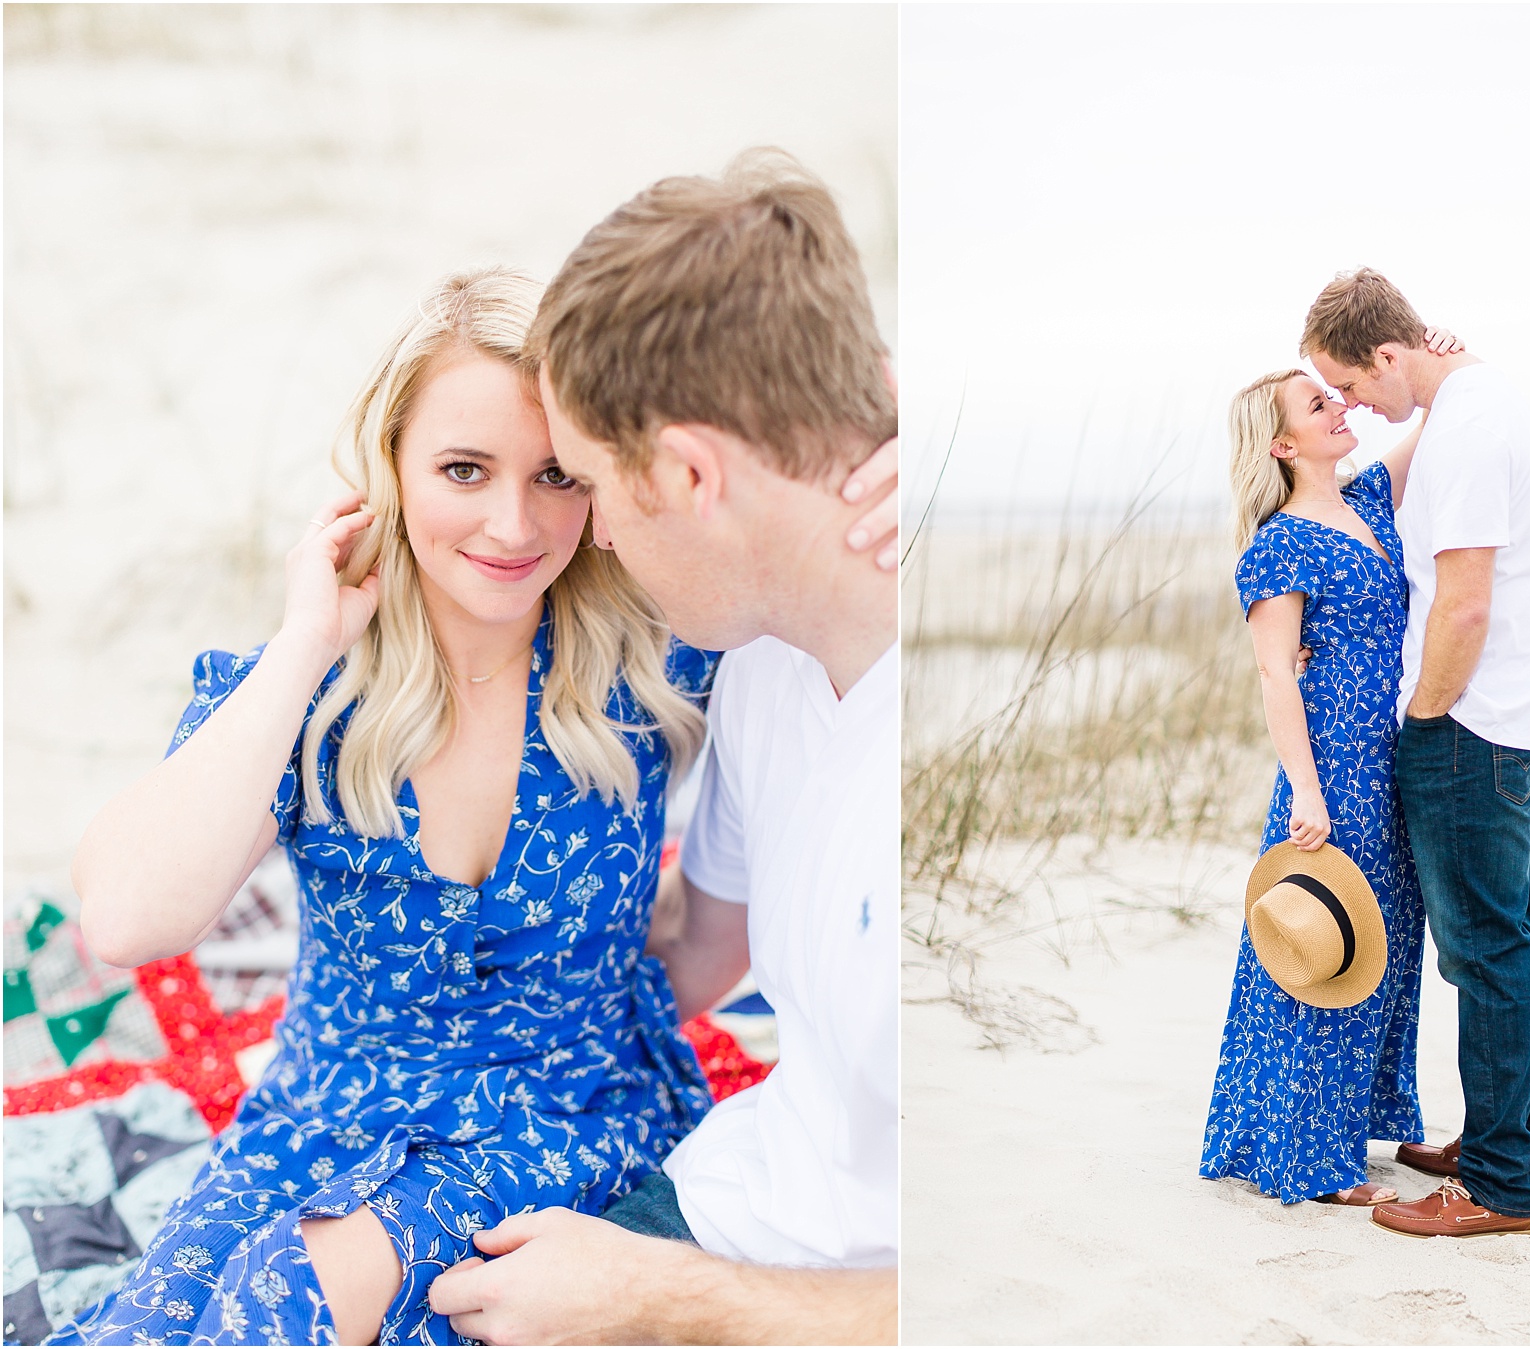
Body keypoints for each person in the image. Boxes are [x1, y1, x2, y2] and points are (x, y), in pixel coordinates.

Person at [48, 265, 893, 1346]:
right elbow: (125, 916)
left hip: (569, 1110)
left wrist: (899, 434)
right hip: (322, 1116)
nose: (511, 522)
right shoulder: (306, 690)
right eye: (463, 468)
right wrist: (307, 641)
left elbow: (797, 527)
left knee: (308, 1292)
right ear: (390, 468)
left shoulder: (662, 650)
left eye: (555, 475)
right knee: (189, 1313)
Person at [427, 149, 899, 1345]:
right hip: (746, 1201)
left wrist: (658, 1298)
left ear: (690, 472)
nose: (583, 540)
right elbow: (707, 939)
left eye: (588, 485)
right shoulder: (764, 656)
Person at [1301, 268, 1530, 1238]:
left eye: (1351, 383)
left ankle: (1501, 1183)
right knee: (1502, 940)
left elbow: (1464, 602)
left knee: (1486, 949)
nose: (1354, 407)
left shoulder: (1463, 429)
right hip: (1518, 713)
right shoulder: (1478, 400)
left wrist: (1424, 717)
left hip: (1475, 723)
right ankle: (1504, 1133)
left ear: (1390, 353)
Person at [1198, 348, 1443, 1206]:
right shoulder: (1280, 545)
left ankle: (1341, 1129)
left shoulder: (1368, 501)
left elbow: (1430, 417)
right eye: (1317, 405)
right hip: (1331, 770)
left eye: (1334, 395)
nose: (1338, 406)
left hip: (1390, 762)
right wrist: (1306, 789)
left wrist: (1439, 359)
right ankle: (1312, 1162)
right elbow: (1276, 674)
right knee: (1323, 943)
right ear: (1282, 446)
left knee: (1382, 944)